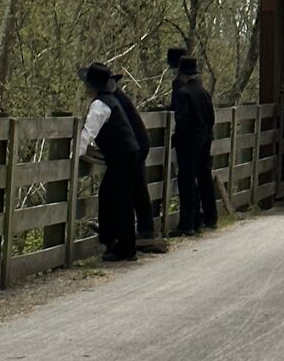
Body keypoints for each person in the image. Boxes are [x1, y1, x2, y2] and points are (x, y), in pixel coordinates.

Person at [77, 62, 146, 261]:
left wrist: (76, 154)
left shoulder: (100, 105)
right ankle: (114, 241)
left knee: (119, 199)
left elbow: (89, 132)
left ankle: (125, 248)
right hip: (127, 154)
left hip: (122, 157)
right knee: (110, 195)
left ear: (92, 87)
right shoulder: (110, 101)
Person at [107, 72, 168, 254]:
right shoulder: (119, 99)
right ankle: (145, 230)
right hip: (138, 144)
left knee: (128, 191)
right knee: (138, 189)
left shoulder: (114, 102)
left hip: (134, 147)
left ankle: (128, 235)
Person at [171, 53, 217, 234]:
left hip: (189, 141)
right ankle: (210, 218)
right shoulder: (203, 92)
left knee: (186, 180)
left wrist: (177, 138)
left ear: (181, 73)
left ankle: (187, 223)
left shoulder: (183, 93)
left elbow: (181, 120)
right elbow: (211, 117)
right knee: (204, 177)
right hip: (205, 139)